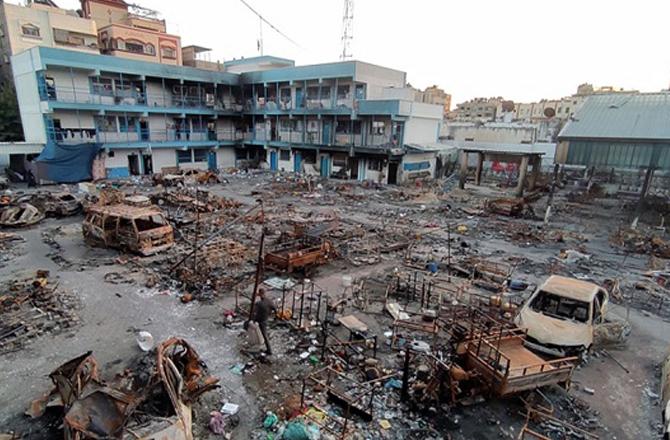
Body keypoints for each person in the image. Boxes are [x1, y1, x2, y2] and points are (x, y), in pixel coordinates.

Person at [252, 288, 276, 355]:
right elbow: (275, 308)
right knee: (263, 333)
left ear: (259, 294)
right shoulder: (269, 301)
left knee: (264, 334)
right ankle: (264, 344)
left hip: (260, 320)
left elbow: (254, 312)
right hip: (265, 319)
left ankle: (269, 350)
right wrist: (272, 314)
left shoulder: (259, 303)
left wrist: (253, 319)